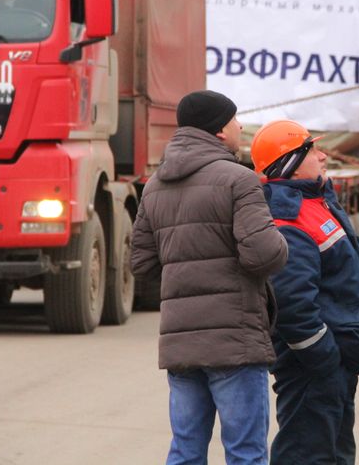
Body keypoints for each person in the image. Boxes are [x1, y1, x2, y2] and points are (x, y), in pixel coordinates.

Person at [130, 90, 288, 465]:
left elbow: (142, 264)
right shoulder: (239, 180)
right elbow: (264, 254)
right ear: (219, 130)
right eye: (235, 120)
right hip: (234, 341)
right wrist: (283, 241)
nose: (241, 126)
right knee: (246, 453)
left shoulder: (154, 186)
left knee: (185, 451)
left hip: (181, 344)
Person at [250, 119, 359, 465]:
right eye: (312, 150)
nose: (322, 156)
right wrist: (323, 356)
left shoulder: (316, 203)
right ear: (291, 163)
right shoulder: (288, 219)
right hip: (313, 366)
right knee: (306, 453)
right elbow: (291, 304)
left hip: (332, 364)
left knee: (334, 452)